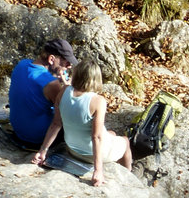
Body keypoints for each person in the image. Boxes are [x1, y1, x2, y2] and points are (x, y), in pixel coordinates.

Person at [31, 59, 133, 187]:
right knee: (125, 140)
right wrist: (98, 170)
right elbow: (96, 137)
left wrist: (43, 151)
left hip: (72, 149)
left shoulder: (63, 91)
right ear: (96, 78)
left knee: (111, 133)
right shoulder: (98, 101)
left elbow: (56, 124)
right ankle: (129, 174)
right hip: (90, 154)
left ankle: (116, 153)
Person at [9, 39, 77, 146]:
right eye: (66, 62)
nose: (69, 66)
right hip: (38, 137)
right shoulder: (51, 84)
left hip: (18, 130)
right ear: (51, 59)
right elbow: (70, 111)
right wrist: (67, 87)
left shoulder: (21, 64)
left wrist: (56, 79)